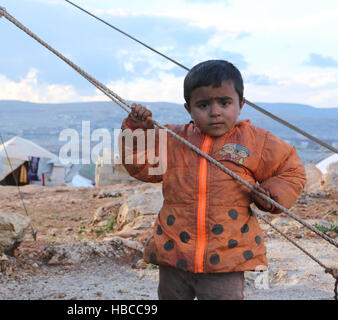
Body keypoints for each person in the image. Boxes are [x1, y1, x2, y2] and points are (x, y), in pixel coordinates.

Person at [119, 60, 306, 300]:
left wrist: (271, 195)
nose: (215, 111)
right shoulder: (172, 139)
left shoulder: (256, 142)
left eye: (224, 102)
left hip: (226, 256)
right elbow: (140, 166)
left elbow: (291, 169)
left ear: (241, 104)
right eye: (203, 104)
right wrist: (137, 130)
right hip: (174, 250)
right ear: (189, 109)